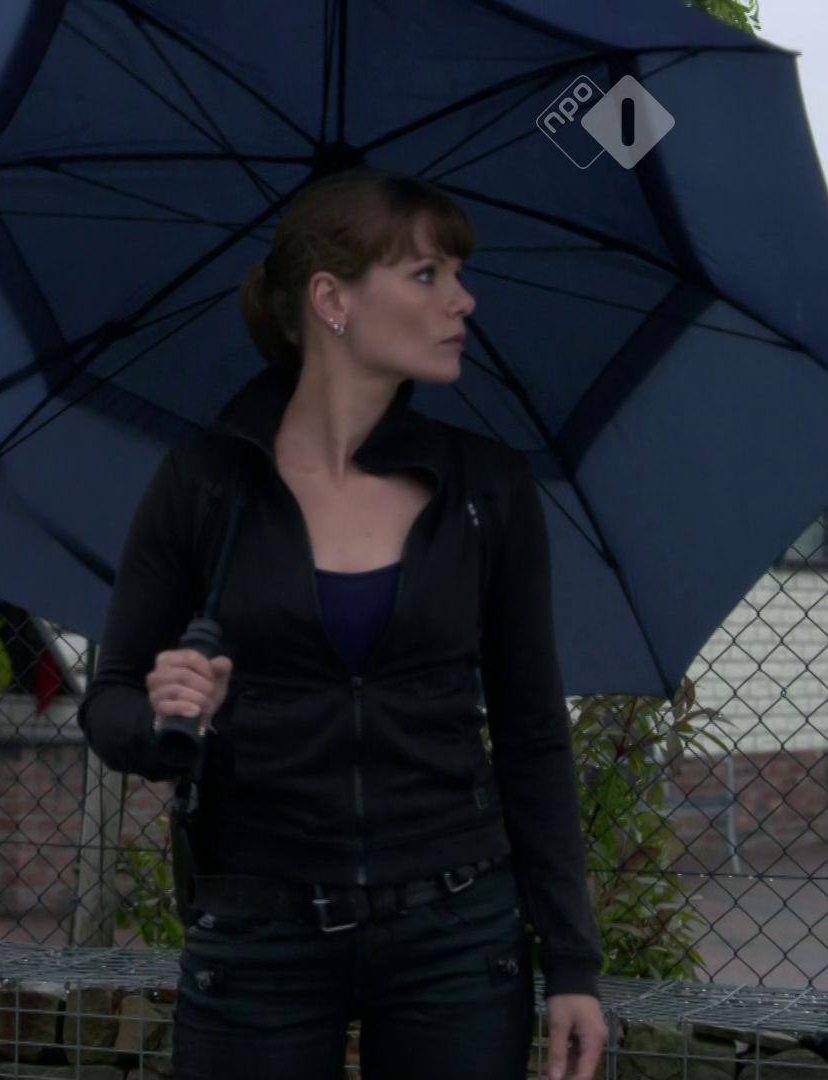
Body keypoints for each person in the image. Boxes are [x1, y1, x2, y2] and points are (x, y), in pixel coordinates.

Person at [78, 168, 608, 1080]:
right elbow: (110, 703)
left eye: (457, 275)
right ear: (331, 299)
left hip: (454, 933)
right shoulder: (207, 484)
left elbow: (531, 735)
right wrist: (165, 715)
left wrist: (572, 963)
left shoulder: (486, 489)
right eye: (428, 274)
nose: (463, 301)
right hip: (259, 935)